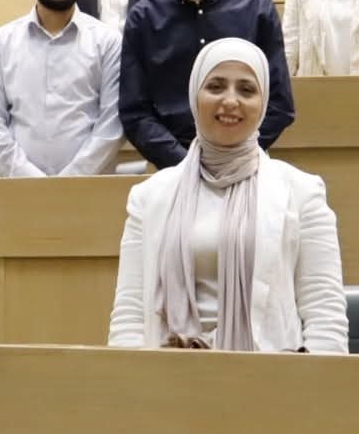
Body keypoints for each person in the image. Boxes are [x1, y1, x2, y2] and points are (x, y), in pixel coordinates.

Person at [107, 39, 344, 353]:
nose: (230, 101)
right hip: (167, 373)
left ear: (263, 103)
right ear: (195, 96)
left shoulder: (302, 192)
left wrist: (314, 383)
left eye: (246, 90)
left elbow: (324, 313)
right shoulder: (149, 196)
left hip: (268, 374)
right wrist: (128, 379)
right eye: (216, 87)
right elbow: (129, 314)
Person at [120, 0, 294, 168]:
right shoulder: (142, 18)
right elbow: (135, 113)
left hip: (246, 164)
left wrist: (231, 158)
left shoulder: (257, 8)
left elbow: (280, 105)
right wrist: (186, 165)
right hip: (172, 170)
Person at [0, 0, 123, 178]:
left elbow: (112, 124)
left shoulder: (108, 42)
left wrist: (68, 182)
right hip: (19, 188)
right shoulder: (1, 42)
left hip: (90, 188)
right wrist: (32, 181)